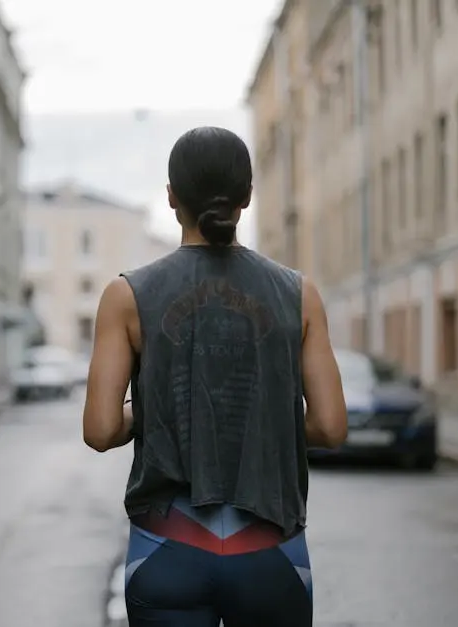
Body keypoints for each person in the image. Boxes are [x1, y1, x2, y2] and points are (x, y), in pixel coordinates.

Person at [82, 126, 348, 626]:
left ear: (170, 197)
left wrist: (164, 406)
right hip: (271, 547)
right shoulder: (298, 294)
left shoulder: (127, 295)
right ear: (247, 196)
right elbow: (331, 426)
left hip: (166, 547)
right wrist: (261, 411)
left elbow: (99, 430)